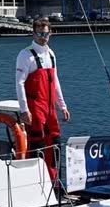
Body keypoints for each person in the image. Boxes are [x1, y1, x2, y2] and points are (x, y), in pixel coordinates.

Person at [16, 16, 70, 182]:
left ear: (50, 34)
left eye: (46, 34)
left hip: (50, 108)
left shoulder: (51, 55)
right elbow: (19, 83)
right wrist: (24, 110)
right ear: (33, 34)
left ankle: (54, 182)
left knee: (54, 142)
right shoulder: (25, 55)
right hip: (35, 107)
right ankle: (35, 182)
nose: (43, 37)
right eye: (39, 34)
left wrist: (63, 106)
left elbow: (55, 81)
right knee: (37, 143)